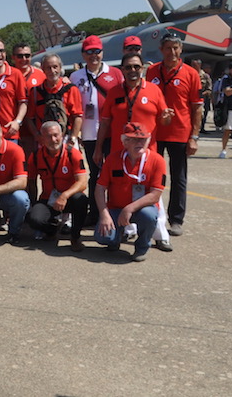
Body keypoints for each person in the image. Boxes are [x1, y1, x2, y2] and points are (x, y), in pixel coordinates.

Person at [146, 33, 203, 237]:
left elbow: (197, 108)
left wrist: (194, 137)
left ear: (181, 50)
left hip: (180, 133)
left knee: (178, 178)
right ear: (161, 50)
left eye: (176, 48)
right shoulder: (151, 71)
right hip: (155, 133)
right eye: (168, 48)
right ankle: (151, 216)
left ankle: (176, 219)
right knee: (151, 177)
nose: (172, 52)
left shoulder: (190, 74)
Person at [70, 35, 124, 225]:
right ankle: (94, 213)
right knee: (95, 175)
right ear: (83, 54)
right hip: (89, 134)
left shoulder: (116, 74)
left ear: (102, 53)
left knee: (116, 174)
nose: (94, 55)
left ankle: (115, 212)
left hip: (113, 133)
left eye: (97, 51)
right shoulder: (75, 77)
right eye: (89, 52)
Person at [94, 122, 166, 262]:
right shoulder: (112, 159)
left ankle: (142, 247)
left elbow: (155, 195)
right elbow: (100, 188)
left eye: (143, 139)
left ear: (148, 141)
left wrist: (129, 208)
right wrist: (104, 214)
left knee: (149, 216)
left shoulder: (158, 161)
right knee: (102, 237)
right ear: (125, 142)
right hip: (116, 208)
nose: (140, 143)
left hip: (142, 209)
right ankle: (115, 239)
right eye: (135, 139)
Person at [94, 52, 171, 166]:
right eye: (128, 67)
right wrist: (98, 149)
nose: (133, 70)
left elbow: (165, 122)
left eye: (136, 66)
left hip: (147, 153)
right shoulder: (114, 92)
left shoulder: (154, 90)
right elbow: (105, 123)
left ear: (142, 68)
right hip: (119, 154)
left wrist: (167, 118)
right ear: (122, 70)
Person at [25, 121, 88, 249]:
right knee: (34, 219)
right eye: (48, 136)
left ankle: (75, 237)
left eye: (56, 135)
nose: (53, 140)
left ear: (62, 135)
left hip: (69, 198)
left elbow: (82, 182)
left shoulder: (73, 154)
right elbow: (31, 182)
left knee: (81, 200)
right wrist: (32, 204)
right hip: (48, 199)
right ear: (42, 138)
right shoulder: (36, 156)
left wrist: (65, 195)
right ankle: (51, 229)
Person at [26, 53, 83, 147]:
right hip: (45, 139)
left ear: (60, 68)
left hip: (66, 139)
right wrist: (37, 136)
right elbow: (30, 118)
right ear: (43, 69)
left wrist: (73, 138)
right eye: (48, 68)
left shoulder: (71, 89)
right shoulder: (36, 92)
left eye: (55, 67)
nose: (52, 71)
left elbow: (78, 117)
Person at [191, 59, 212, 133]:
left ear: (199, 65)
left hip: (202, 98)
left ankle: (200, 128)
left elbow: (209, 89)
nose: (193, 66)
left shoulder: (205, 76)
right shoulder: (189, 73)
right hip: (191, 98)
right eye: (192, 64)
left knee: (202, 114)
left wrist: (202, 94)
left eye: (195, 65)